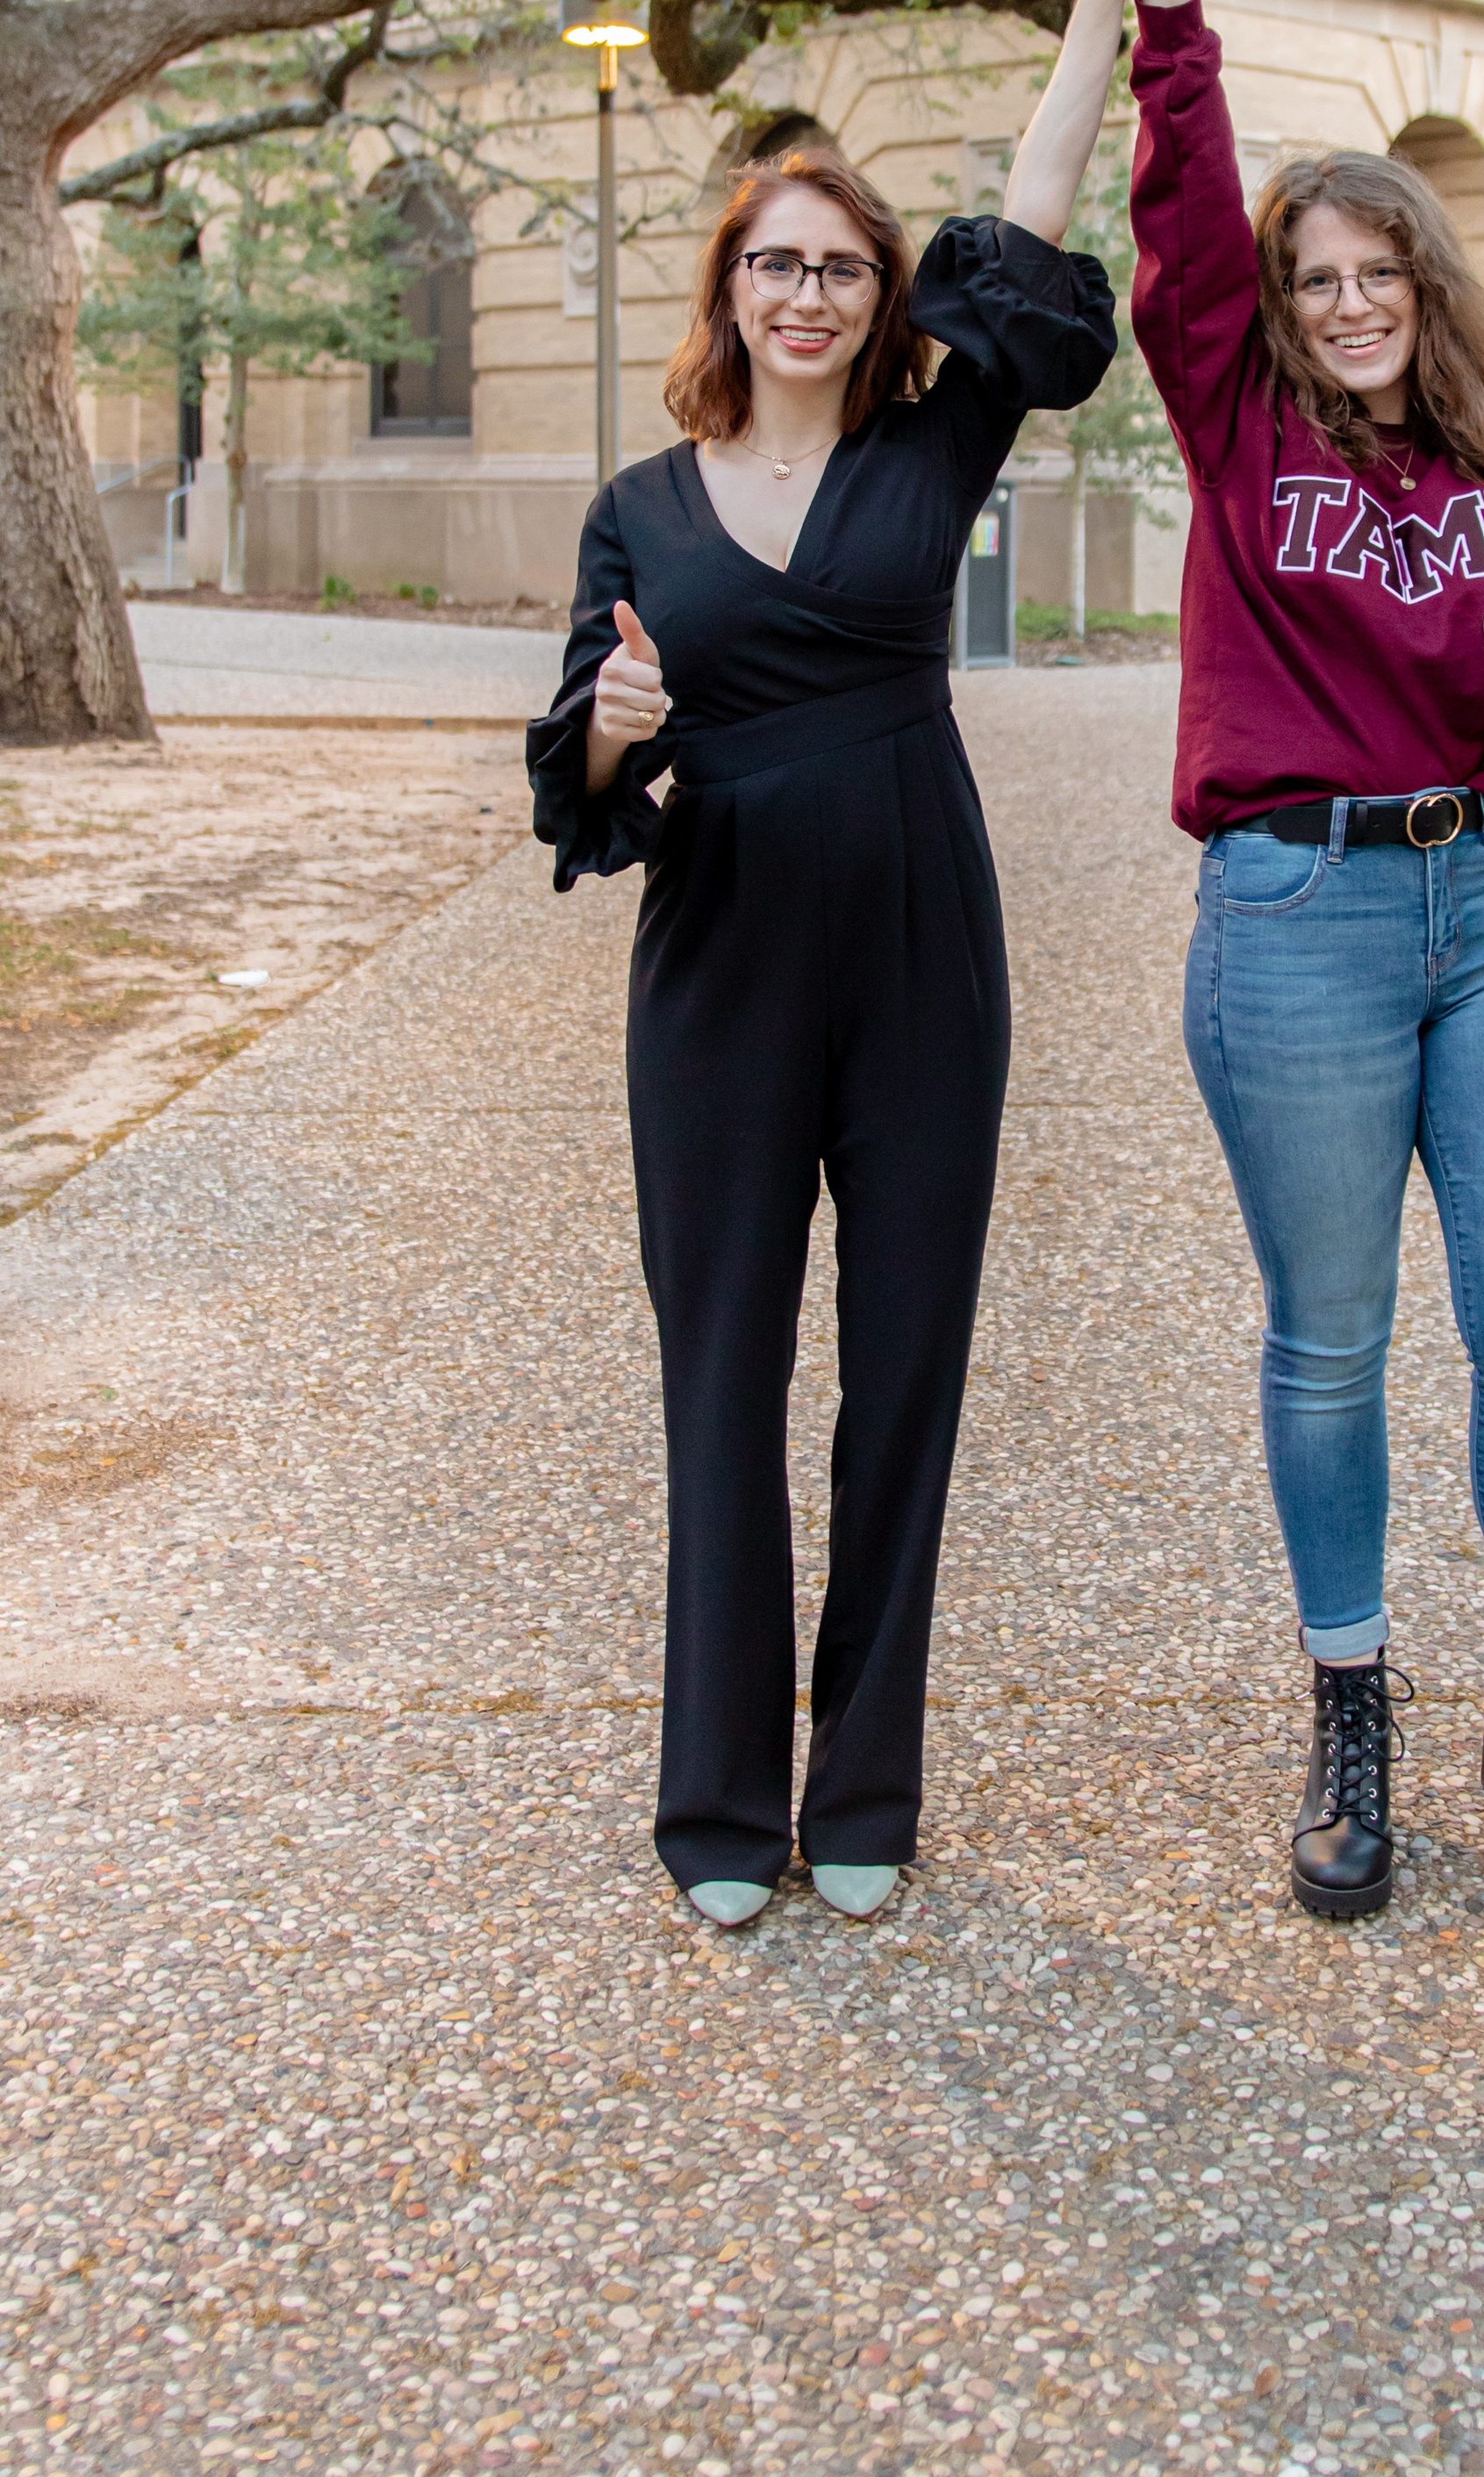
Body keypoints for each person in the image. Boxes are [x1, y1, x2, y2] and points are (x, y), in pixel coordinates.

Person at [1005, 0, 1484, 1924]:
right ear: (1274, 307)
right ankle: (1348, 1701)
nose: (1347, 306)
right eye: (1315, 280)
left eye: (1379, 275)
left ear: (1426, 286)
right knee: (1330, 1338)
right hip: (1293, 915)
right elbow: (1176, 202)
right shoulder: (1233, 412)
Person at [527, 142, 1115, 1928]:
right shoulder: (638, 502)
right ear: (727, 290)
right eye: (773, 266)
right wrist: (620, 724)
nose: (803, 295)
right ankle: (714, 1800)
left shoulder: (934, 445)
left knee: (904, 1375)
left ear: (882, 300)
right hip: (718, 955)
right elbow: (578, 779)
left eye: (840, 270)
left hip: (923, 945)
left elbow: (1029, 216)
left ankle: (860, 1786)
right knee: (720, 1375)